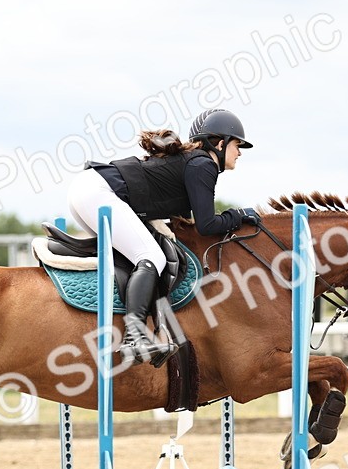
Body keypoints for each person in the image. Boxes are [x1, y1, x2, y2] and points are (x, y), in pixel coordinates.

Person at [67, 108, 260, 367]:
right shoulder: (203, 164)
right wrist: (239, 216)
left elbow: (184, 225)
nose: (240, 153)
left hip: (89, 190)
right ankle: (134, 336)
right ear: (220, 143)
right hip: (98, 193)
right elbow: (206, 224)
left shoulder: (194, 162)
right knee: (151, 256)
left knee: (143, 253)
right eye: (238, 145)